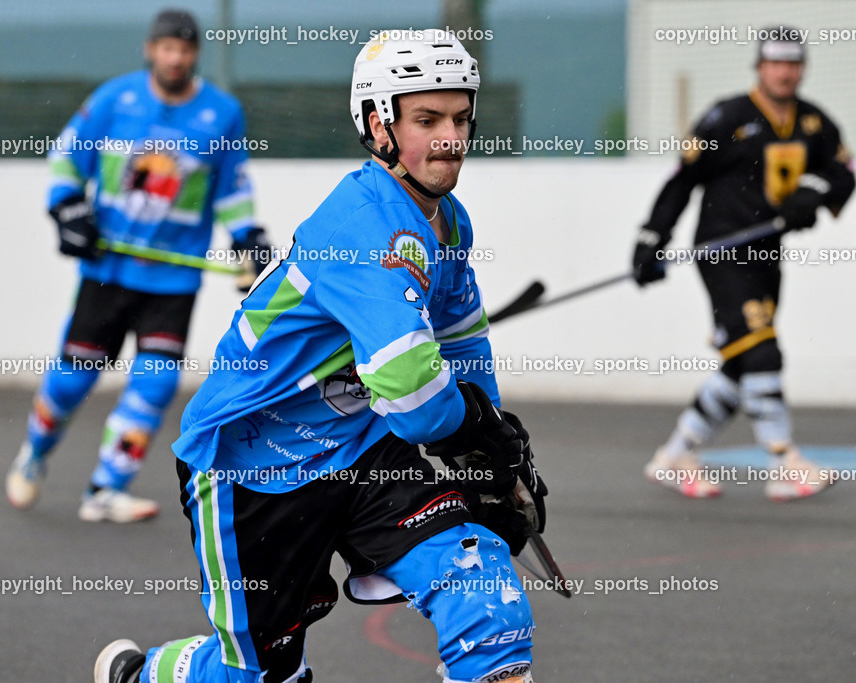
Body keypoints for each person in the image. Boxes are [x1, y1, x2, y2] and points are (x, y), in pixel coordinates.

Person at [94, 29, 546, 683]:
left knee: (488, 600)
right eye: (427, 119)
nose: (450, 138)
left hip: (362, 449)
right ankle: (142, 675)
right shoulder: (365, 226)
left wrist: (492, 456)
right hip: (251, 466)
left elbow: (462, 342)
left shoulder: (447, 220)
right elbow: (415, 397)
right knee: (263, 675)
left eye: (459, 117)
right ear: (376, 123)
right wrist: (475, 428)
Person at [5, 9, 270, 523]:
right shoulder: (113, 99)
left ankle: (106, 489)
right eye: (167, 47)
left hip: (174, 278)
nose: (176, 57)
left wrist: (249, 237)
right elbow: (65, 157)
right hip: (108, 271)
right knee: (70, 382)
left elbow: (232, 185)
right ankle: (34, 453)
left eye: (186, 49)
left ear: (195, 55)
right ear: (151, 49)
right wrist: (69, 209)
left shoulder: (222, 112)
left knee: (155, 383)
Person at [631, 27, 855, 500]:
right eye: (776, 63)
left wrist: (814, 193)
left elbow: (843, 173)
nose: (785, 72)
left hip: (767, 255)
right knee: (764, 352)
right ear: (760, 67)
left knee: (740, 360)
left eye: (793, 63)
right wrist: (652, 237)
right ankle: (783, 460)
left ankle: (675, 455)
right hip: (722, 251)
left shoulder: (813, 122)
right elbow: (684, 179)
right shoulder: (728, 117)